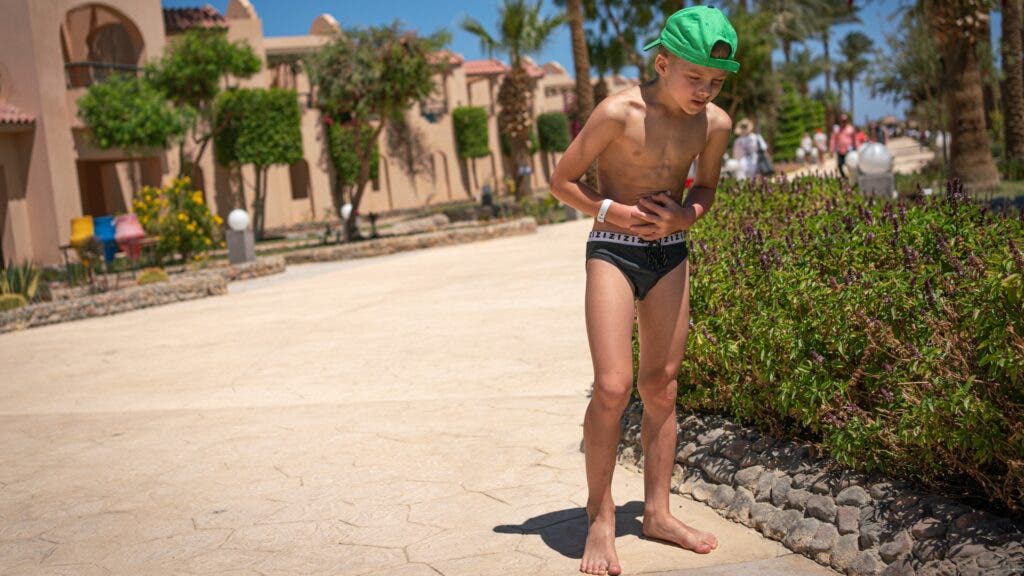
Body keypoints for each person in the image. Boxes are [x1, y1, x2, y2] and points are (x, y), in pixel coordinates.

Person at [550, 5, 736, 575]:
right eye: (694, 77)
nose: (704, 91)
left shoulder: (715, 125)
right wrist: (615, 212)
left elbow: (704, 188)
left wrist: (685, 217)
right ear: (662, 63)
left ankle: (657, 513)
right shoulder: (617, 112)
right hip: (613, 249)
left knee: (661, 386)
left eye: (715, 81)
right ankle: (601, 517)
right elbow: (561, 182)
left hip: (669, 255)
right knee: (612, 386)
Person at [830, 113, 856, 177]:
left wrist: (856, 148)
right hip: (840, 150)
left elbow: (854, 139)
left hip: (849, 150)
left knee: (849, 164)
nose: (843, 121)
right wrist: (831, 149)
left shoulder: (851, 128)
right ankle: (844, 177)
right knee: (840, 165)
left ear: (847, 120)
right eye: (842, 120)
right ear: (840, 120)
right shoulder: (837, 129)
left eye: (845, 120)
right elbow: (833, 139)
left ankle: (851, 177)